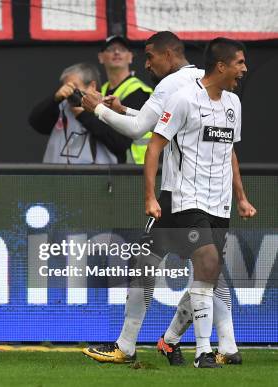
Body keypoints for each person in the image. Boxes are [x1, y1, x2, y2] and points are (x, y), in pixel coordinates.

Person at [81, 31, 251, 366]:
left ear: (170, 54)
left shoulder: (175, 86)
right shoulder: (192, 86)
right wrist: (127, 108)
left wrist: (98, 111)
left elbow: (140, 131)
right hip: (204, 196)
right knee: (207, 268)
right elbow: (157, 124)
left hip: (180, 195)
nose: (147, 64)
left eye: (150, 57)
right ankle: (220, 345)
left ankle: (130, 345)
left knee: (154, 265)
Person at [28, 62, 132, 163]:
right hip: (57, 178)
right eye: (66, 87)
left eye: (73, 87)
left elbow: (121, 143)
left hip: (97, 179)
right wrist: (54, 99)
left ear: (92, 86)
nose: (68, 92)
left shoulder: (108, 107)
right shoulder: (61, 108)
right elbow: (35, 122)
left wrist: (83, 114)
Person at [97, 35, 153, 163]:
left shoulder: (139, 91)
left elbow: (120, 141)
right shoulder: (101, 90)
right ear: (100, 57)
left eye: (122, 49)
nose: (116, 52)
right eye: (110, 49)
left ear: (130, 56)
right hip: (110, 168)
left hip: (136, 168)